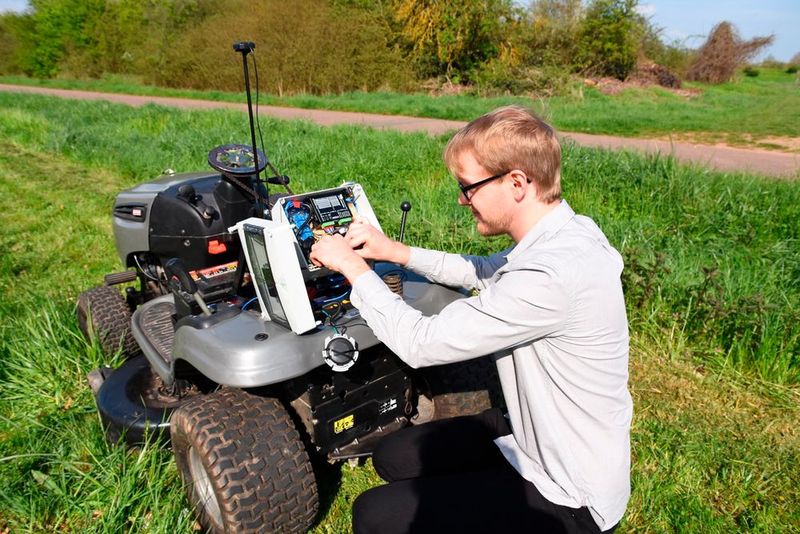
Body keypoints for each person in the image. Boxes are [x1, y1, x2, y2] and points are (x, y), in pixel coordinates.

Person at [309, 105, 632, 534]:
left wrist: (354, 269)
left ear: (516, 182)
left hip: (571, 491)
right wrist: (394, 252)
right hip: (531, 430)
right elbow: (484, 270)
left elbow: (421, 344)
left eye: (469, 187)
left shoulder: (551, 276)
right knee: (393, 456)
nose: (463, 200)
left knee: (372, 514)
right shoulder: (565, 233)